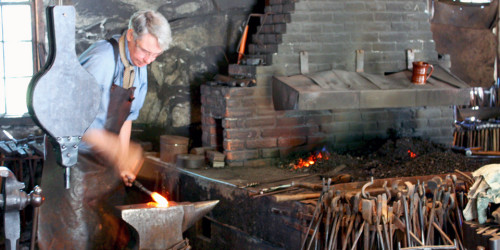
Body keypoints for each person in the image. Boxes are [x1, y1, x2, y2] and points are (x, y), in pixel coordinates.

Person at [37, 10, 172, 249]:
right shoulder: (102, 60)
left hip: (103, 164)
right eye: (145, 51)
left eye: (155, 55)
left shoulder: (138, 67)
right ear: (130, 35)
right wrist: (118, 151)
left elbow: (127, 117)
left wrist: (123, 162)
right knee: (74, 239)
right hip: (73, 163)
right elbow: (71, 121)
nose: (148, 60)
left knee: (107, 235)